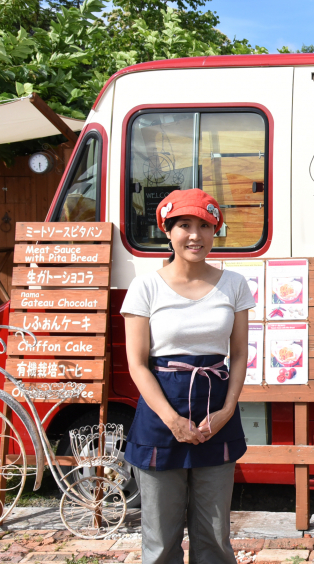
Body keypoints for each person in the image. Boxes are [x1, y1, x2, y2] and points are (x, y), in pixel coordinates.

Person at [121, 188, 254, 564]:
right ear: (167, 230)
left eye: (205, 225)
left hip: (217, 413)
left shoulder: (234, 285)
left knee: (214, 536)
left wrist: (228, 409)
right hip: (160, 415)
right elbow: (137, 363)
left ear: (215, 232)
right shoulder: (145, 287)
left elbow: (240, 354)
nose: (195, 235)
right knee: (160, 539)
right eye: (184, 225)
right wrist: (172, 420)